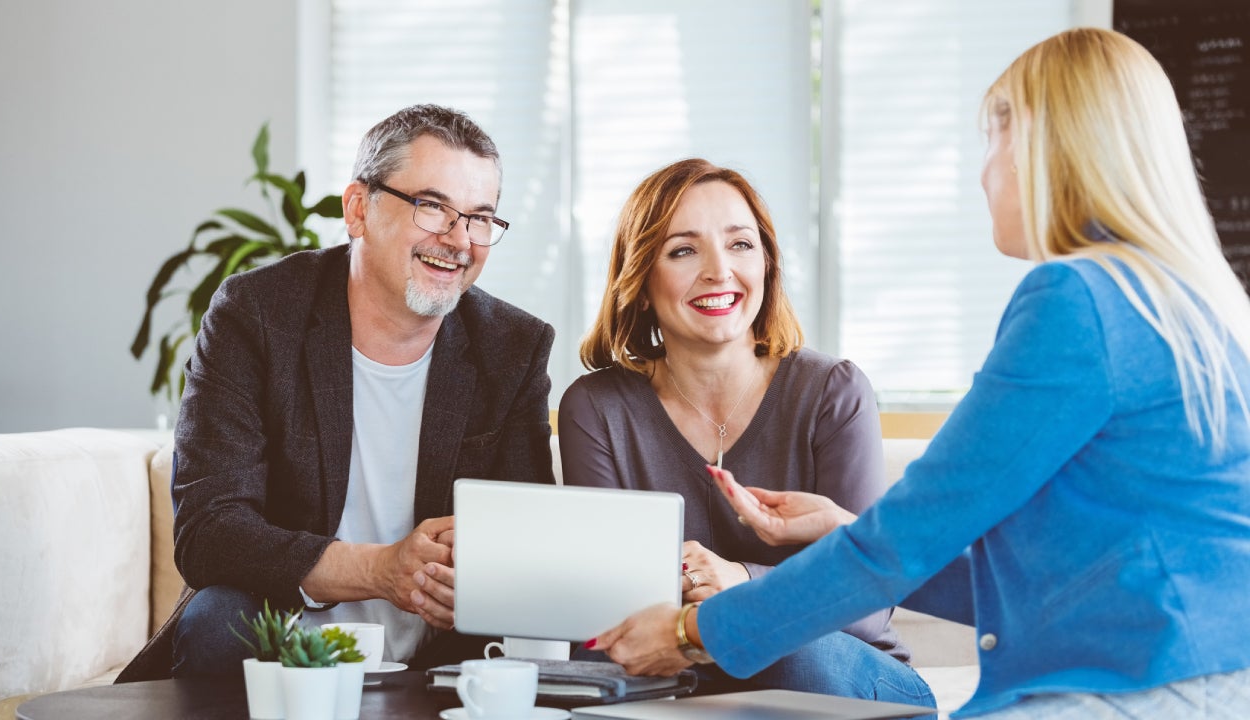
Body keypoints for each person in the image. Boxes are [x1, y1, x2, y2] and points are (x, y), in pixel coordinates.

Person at [586, 28, 1250, 719]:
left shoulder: (1076, 301)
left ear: (1039, 149)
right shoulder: (1184, 302)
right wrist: (840, 527)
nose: (984, 172)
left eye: (991, 142)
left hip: (1145, 692)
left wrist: (693, 633)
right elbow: (1040, 585)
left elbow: (912, 534)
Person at [118, 104, 556, 681]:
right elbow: (209, 532)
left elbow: (526, 534)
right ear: (357, 209)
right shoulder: (257, 314)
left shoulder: (512, 346)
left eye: (480, 218)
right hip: (281, 641)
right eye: (432, 207)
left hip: (441, 650)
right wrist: (382, 569)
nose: (459, 240)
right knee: (220, 618)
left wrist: (477, 573)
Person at [559, 158, 935, 709]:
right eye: (683, 250)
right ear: (640, 282)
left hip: (842, 675)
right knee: (592, 661)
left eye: (740, 245)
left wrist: (739, 581)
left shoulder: (833, 391)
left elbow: (865, 607)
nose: (719, 271)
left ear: (766, 265)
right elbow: (614, 609)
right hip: (682, 675)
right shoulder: (596, 409)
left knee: (788, 650)